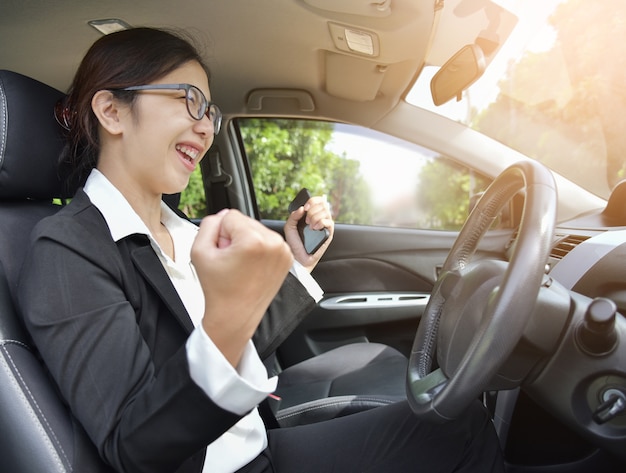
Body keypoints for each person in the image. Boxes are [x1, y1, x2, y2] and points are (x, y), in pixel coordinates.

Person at [17, 27, 504, 473]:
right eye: (189, 100)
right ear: (112, 111)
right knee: (460, 432)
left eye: (209, 111)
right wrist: (227, 316)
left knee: (461, 426)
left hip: (259, 443)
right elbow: (134, 445)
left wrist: (299, 261)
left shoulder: (183, 229)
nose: (207, 128)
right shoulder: (66, 250)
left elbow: (239, 346)